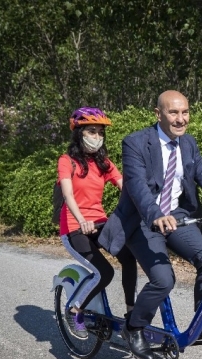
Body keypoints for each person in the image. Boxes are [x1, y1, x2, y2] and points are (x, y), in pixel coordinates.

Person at [99, 90, 202, 359]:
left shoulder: (188, 144)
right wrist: (155, 214)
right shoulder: (135, 143)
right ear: (158, 114)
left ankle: (200, 320)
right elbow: (137, 187)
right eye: (174, 113)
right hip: (143, 221)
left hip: (177, 216)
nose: (181, 119)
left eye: (185, 112)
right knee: (163, 280)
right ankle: (134, 326)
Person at [58, 106, 138, 338]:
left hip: (100, 224)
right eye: (91, 131)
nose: (97, 137)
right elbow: (68, 195)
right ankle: (75, 310)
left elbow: (128, 188)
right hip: (75, 227)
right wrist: (81, 219)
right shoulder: (67, 161)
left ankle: (131, 315)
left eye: (100, 133)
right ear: (79, 133)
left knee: (129, 257)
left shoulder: (104, 164)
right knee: (104, 272)